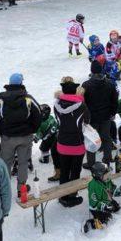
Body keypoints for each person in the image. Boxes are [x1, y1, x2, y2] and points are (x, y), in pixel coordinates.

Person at [0, 73, 41, 194]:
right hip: (25, 137)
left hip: (7, 138)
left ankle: (5, 190)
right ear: (21, 83)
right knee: (23, 162)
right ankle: (21, 188)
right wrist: (32, 129)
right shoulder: (28, 98)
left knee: (6, 163)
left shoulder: (0, 99)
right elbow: (38, 114)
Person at [54, 77, 89, 207]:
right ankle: (72, 195)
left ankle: (63, 195)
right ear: (74, 91)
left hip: (62, 142)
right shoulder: (82, 105)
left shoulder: (56, 105)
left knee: (64, 170)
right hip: (77, 143)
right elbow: (87, 120)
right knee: (75, 170)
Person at [82, 61, 119, 168]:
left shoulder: (86, 85)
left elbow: (83, 103)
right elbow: (115, 101)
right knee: (106, 138)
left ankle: (91, 162)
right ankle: (107, 159)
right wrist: (113, 113)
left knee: (91, 139)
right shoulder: (110, 83)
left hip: (92, 118)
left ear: (91, 71)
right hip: (106, 116)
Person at [83, 162, 121, 233]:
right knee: (105, 220)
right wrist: (103, 206)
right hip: (97, 208)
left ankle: (107, 211)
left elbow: (112, 190)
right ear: (98, 176)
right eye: (106, 174)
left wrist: (119, 190)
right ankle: (91, 223)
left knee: (116, 208)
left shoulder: (107, 180)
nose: (108, 176)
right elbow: (93, 203)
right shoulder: (93, 186)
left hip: (106, 201)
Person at [35, 104, 59, 181]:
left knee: (44, 148)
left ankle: (45, 159)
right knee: (50, 148)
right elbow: (56, 126)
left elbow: (39, 133)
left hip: (49, 139)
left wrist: (37, 138)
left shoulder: (40, 122)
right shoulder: (51, 118)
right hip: (54, 138)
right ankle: (47, 157)